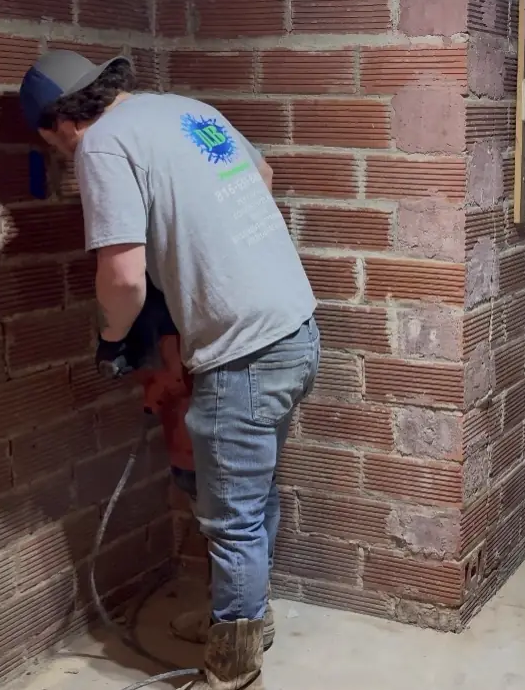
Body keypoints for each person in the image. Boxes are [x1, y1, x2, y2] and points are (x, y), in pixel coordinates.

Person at [20, 50, 320, 690]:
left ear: (58, 126)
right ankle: (244, 620)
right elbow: (260, 177)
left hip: (243, 352)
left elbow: (123, 277)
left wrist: (111, 335)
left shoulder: (100, 146)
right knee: (252, 495)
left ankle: (234, 669)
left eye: (53, 147)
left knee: (230, 516)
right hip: (296, 328)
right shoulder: (187, 110)